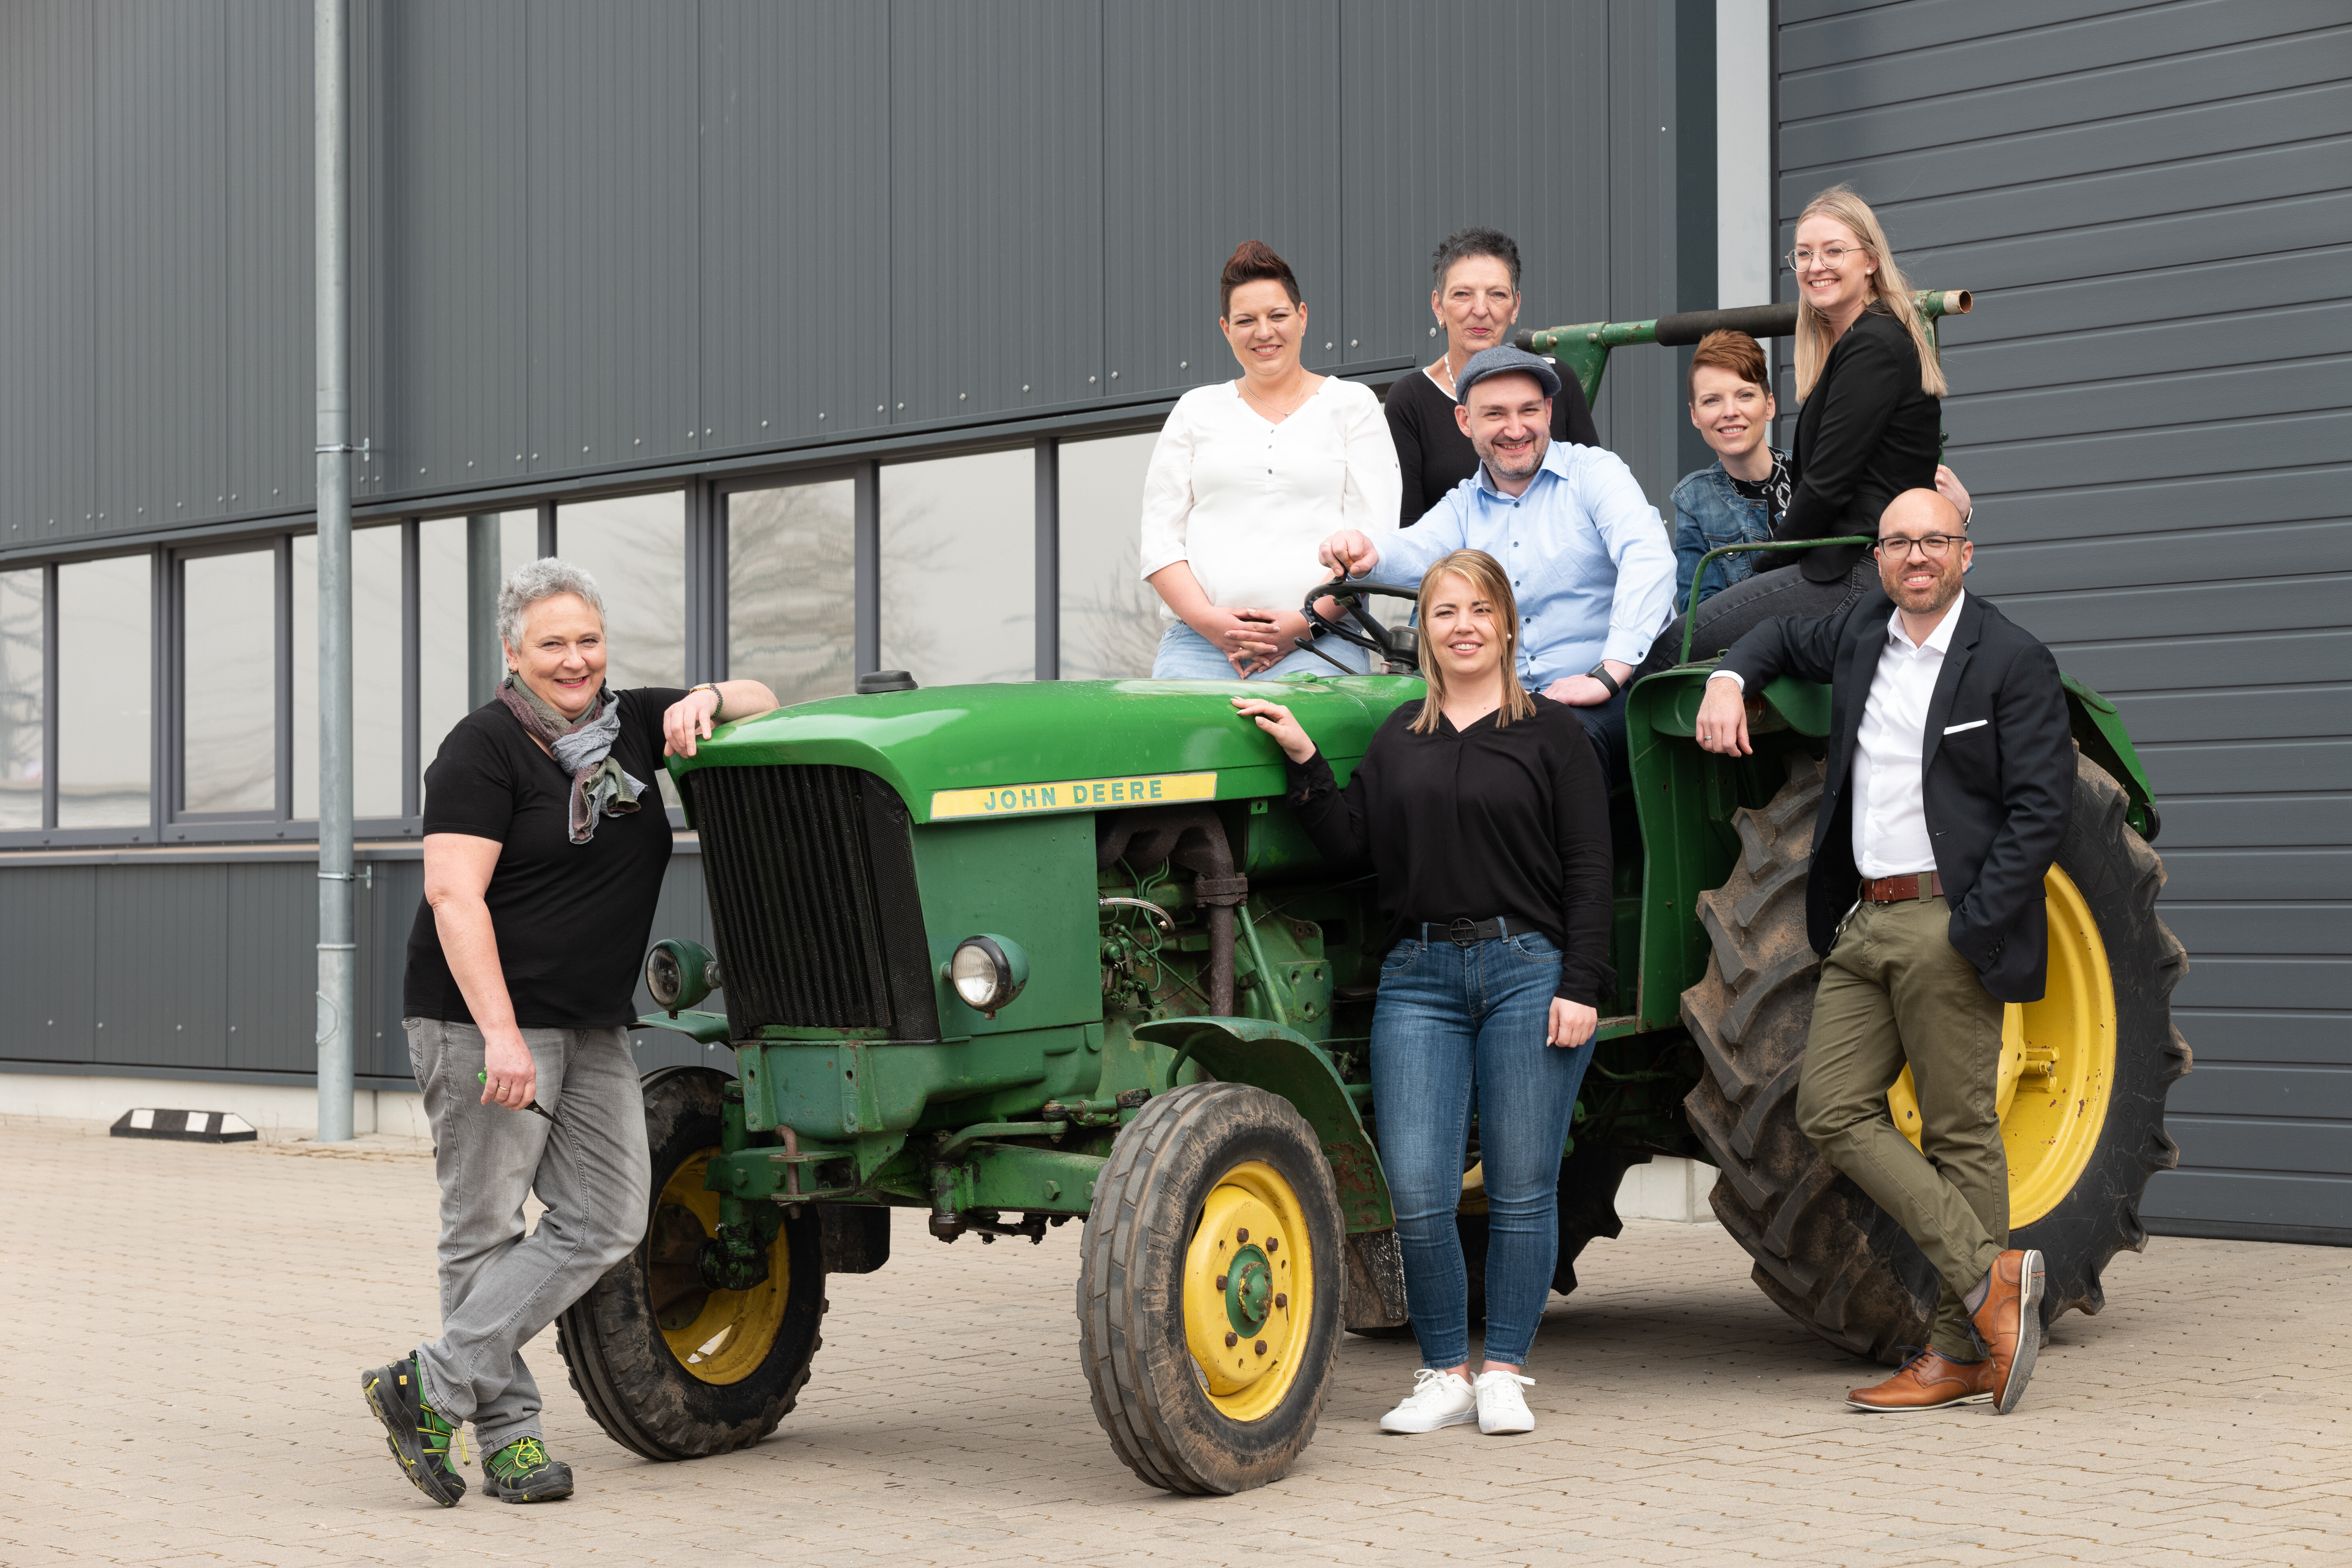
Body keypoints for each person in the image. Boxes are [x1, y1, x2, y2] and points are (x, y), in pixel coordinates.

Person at [364, 559, 779, 1506]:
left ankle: (427, 1383)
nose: (574, 658)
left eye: (587, 639)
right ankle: (508, 1439)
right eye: (552, 643)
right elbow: (452, 896)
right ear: (513, 651)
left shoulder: (631, 723)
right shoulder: (480, 750)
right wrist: (499, 1035)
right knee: (484, 1226)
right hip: (486, 1022)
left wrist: (709, 695)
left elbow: (762, 699)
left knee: (607, 1217)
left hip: (592, 1021)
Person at [1692, 488, 2071, 1416]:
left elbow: (2040, 809)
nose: (1915, 557)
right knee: (1828, 1109)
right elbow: (1780, 636)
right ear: (1879, 556)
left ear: (1965, 554)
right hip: (1863, 920)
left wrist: (1972, 923)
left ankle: (1955, 1350)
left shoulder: (2012, 660)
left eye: (1933, 541)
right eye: (1898, 542)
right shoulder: (1865, 629)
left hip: (1948, 919)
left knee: (1957, 1131)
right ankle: (1994, 1277)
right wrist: (1729, 677)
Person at [1232, 548, 1611, 1438]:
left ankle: (1507, 1370)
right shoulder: (1402, 735)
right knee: (1417, 1189)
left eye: (1480, 610)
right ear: (1427, 634)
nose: (1465, 626)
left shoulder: (1553, 735)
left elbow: (1590, 870)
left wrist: (1583, 985)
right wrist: (1302, 758)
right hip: (1419, 981)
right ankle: (1444, 1369)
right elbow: (1350, 844)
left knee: (1522, 1187)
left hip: (1529, 973)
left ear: (1508, 625)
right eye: (1446, 613)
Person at [1638, 184, 1964, 679]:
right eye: (1804, 255)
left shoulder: (1873, 345)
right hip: (1853, 565)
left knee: (1669, 656)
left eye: (1834, 252)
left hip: (1852, 570)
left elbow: (1828, 484)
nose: (1816, 266)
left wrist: (1767, 567)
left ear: (1871, 261)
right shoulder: (1859, 341)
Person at [1319, 344, 1675, 785]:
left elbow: (1648, 557)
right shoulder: (1465, 504)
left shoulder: (1596, 473)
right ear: (1465, 422)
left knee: (1547, 745)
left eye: (1529, 410)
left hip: (1617, 690)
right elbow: (1417, 547)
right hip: (1516, 702)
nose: (1515, 428)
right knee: (1402, 753)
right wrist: (1367, 550)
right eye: (1495, 414)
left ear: (1549, 411)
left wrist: (1609, 672)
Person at [1140, 240, 1401, 678]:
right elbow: (1159, 541)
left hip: (1323, 642)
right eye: (1246, 321)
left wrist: (1302, 624)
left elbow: (1373, 540)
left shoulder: (1352, 405)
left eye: (1278, 316)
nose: (1264, 332)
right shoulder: (1194, 410)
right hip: (1200, 646)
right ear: (1226, 329)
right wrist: (1210, 623)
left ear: (1302, 318)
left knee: (1311, 747)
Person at [1386, 227, 1602, 528]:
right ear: (1438, 306)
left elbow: (1596, 490)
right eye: (1462, 294)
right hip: (1459, 571)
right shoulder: (1410, 399)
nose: (1481, 310)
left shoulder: (1554, 379)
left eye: (1497, 295)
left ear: (1515, 306)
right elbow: (1409, 526)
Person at [1671, 330, 1786, 610]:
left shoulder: (1816, 472)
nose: (1730, 411)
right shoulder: (1693, 501)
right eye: (1712, 400)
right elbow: (1700, 616)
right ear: (1695, 416)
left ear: (1769, 405)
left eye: (1745, 395)